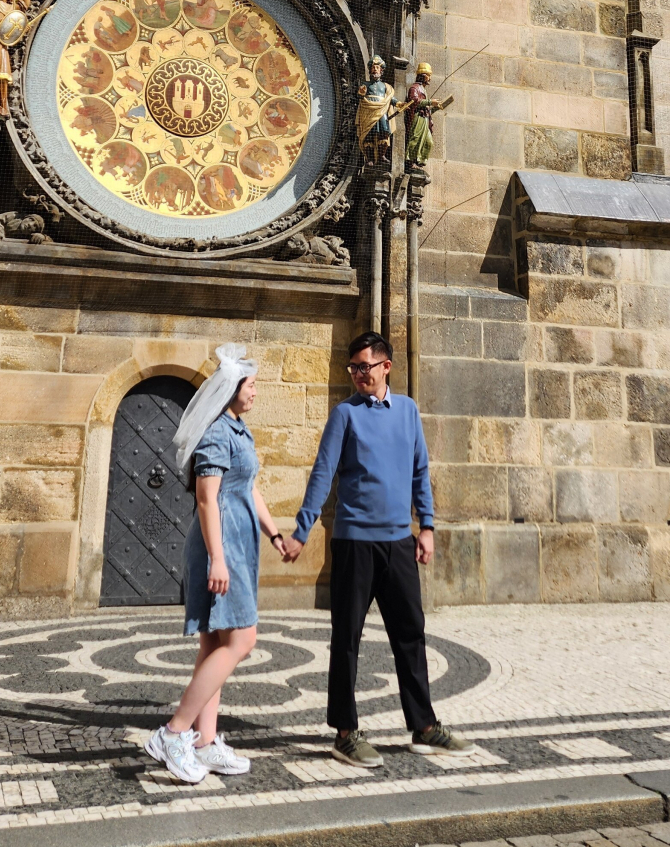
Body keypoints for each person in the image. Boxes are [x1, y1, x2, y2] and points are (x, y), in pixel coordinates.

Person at [280, 332, 474, 767]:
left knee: (410, 634)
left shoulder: (407, 411)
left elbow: (420, 469)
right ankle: (346, 732)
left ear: (386, 366)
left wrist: (427, 526)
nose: (357, 374)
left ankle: (423, 727)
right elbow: (322, 474)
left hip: (399, 544)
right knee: (346, 638)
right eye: (352, 368)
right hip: (354, 544)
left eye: (364, 366)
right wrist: (302, 530)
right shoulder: (344, 415)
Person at [144, 345, 288, 784]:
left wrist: (275, 533)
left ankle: (205, 742)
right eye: (252, 385)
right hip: (219, 548)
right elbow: (207, 499)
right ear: (231, 389)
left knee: (214, 647)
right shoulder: (216, 433)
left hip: (239, 545)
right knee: (242, 640)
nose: (256, 392)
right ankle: (173, 734)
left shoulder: (239, 430)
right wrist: (218, 560)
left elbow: (249, 490)